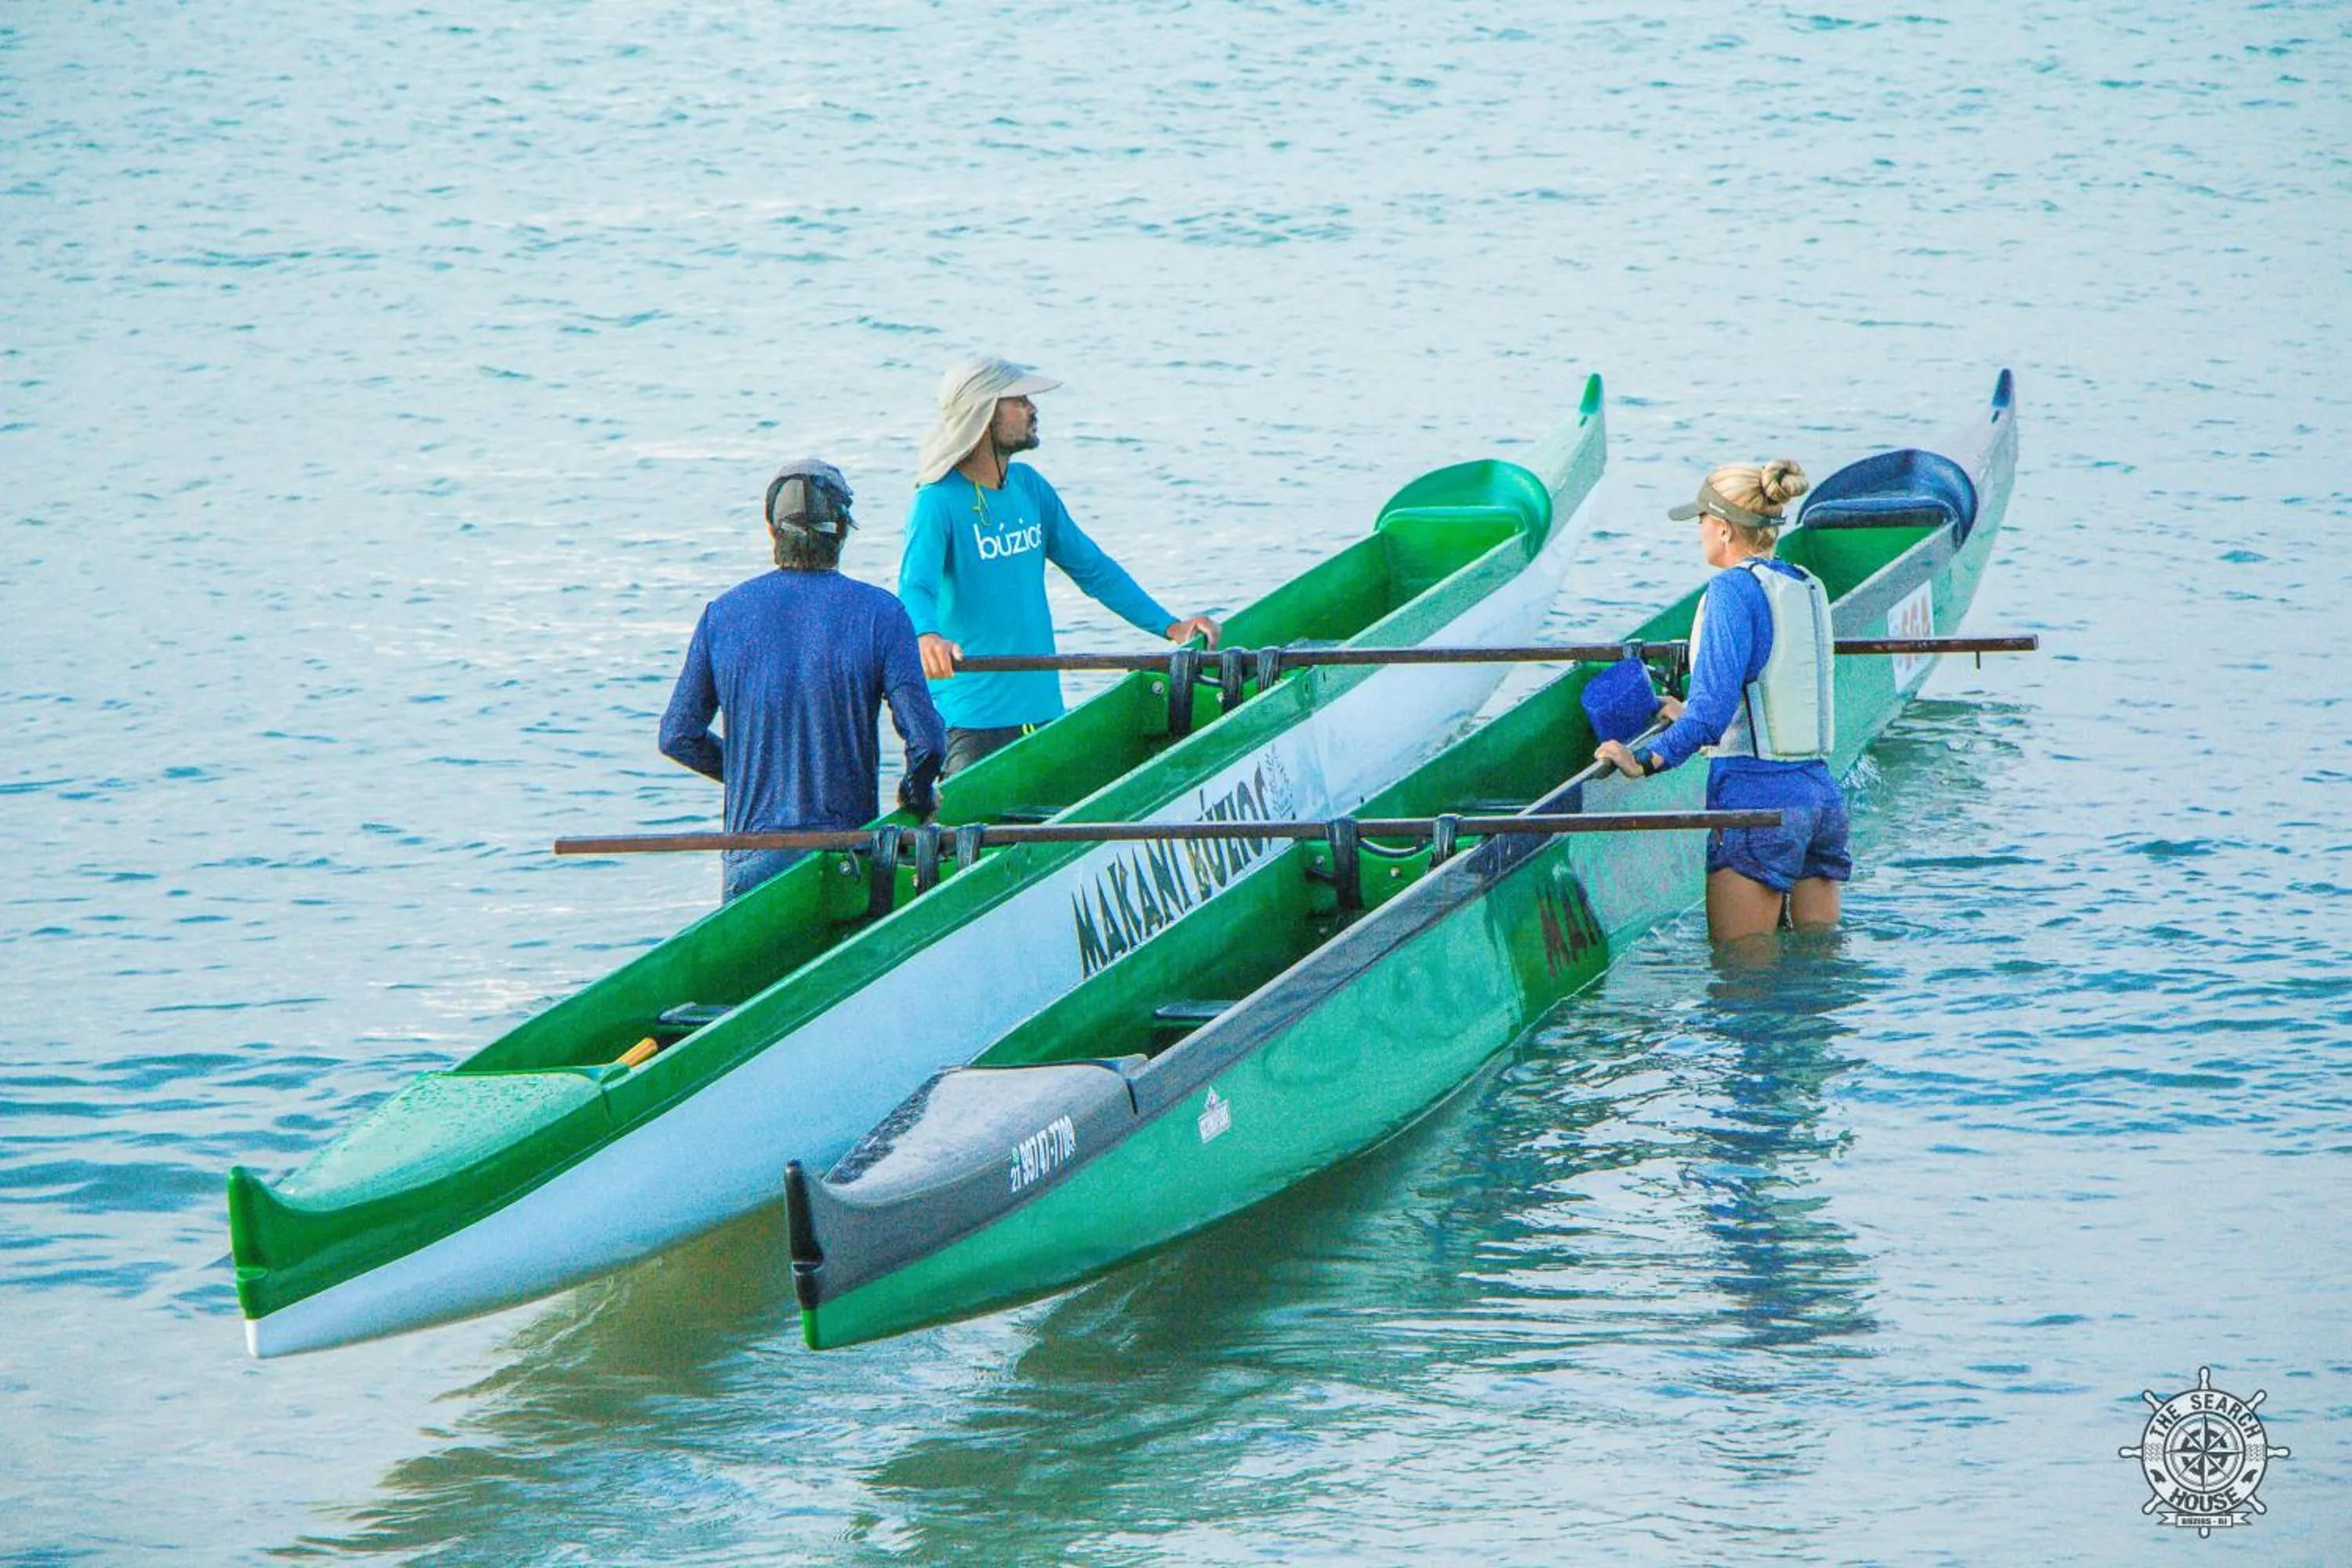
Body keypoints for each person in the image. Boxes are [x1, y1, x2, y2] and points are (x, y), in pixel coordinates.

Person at [898, 356, 1223, 775]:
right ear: (983, 413)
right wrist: (926, 635)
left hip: (1045, 713)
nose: (1033, 409)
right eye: (1019, 401)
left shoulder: (1030, 488)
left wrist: (1170, 626)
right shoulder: (936, 502)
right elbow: (916, 586)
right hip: (972, 721)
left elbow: (1094, 570)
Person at [660, 459, 946, 903]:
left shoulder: (722, 616)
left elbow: (678, 736)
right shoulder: (882, 614)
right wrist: (917, 795)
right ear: (843, 532)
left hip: (750, 861)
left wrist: (747, 772)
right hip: (846, 860)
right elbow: (928, 744)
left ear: (772, 532)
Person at [1595, 459, 1849, 945]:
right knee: (1819, 965)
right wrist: (1685, 715)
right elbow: (1776, 688)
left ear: (1725, 528)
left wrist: (1644, 760)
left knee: (1741, 976)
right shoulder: (1805, 585)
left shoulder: (1732, 591)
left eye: (1701, 521)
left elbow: (1711, 715)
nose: (1699, 532)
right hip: (1821, 801)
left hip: (1755, 806)